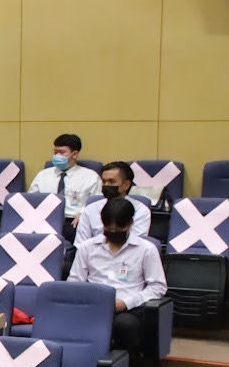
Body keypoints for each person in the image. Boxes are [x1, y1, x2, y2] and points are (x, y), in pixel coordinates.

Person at [68, 199, 167, 353]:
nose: (113, 232)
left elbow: (158, 287)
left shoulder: (146, 249)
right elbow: (75, 282)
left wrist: (127, 303)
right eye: (109, 229)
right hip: (92, 305)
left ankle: (123, 365)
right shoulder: (87, 247)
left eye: (119, 228)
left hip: (128, 308)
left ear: (130, 224)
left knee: (125, 325)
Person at [28, 133, 101, 232]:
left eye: (62, 152)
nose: (57, 156)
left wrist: (83, 214)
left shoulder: (90, 177)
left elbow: (97, 203)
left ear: (74, 154)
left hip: (73, 220)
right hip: (45, 219)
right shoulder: (43, 175)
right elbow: (30, 199)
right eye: (55, 152)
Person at [76, 161, 152, 241]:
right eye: (104, 181)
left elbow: (137, 243)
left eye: (111, 181)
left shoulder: (141, 211)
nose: (106, 185)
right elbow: (81, 242)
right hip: (93, 249)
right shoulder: (90, 209)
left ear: (126, 184)